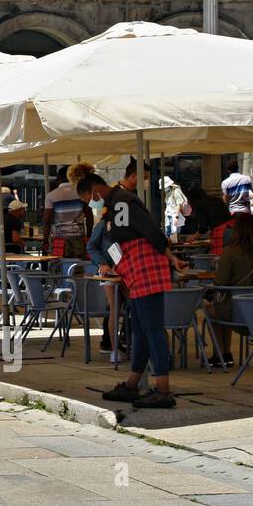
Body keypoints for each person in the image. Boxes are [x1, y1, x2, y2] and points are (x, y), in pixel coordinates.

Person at [78, 172, 186, 409]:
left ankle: (163, 389)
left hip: (145, 265)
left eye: (88, 198)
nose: (90, 204)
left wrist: (170, 256)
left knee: (153, 330)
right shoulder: (113, 204)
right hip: (134, 269)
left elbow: (149, 229)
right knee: (138, 327)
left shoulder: (122, 200)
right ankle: (132, 384)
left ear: (95, 189)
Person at [207, 212, 253, 362]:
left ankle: (220, 354)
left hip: (234, 311)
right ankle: (225, 354)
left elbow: (220, 282)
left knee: (212, 310)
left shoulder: (230, 252)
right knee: (223, 307)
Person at [86, 201, 124, 355]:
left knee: (129, 307)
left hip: (126, 270)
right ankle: (113, 348)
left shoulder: (126, 227)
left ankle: (123, 342)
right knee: (115, 307)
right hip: (109, 271)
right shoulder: (103, 225)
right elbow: (91, 246)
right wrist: (102, 263)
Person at [42, 165, 89, 259]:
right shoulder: (81, 192)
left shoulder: (52, 195)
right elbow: (89, 215)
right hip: (79, 237)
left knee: (59, 267)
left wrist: (45, 241)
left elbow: (47, 220)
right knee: (78, 267)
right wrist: (89, 236)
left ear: (58, 178)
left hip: (59, 239)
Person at [186, 184, 233, 257]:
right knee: (230, 256)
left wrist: (194, 237)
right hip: (232, 229)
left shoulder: (198, 205)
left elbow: (203, 226)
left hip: (221, 233)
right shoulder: (216, 200)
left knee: (219, 258)